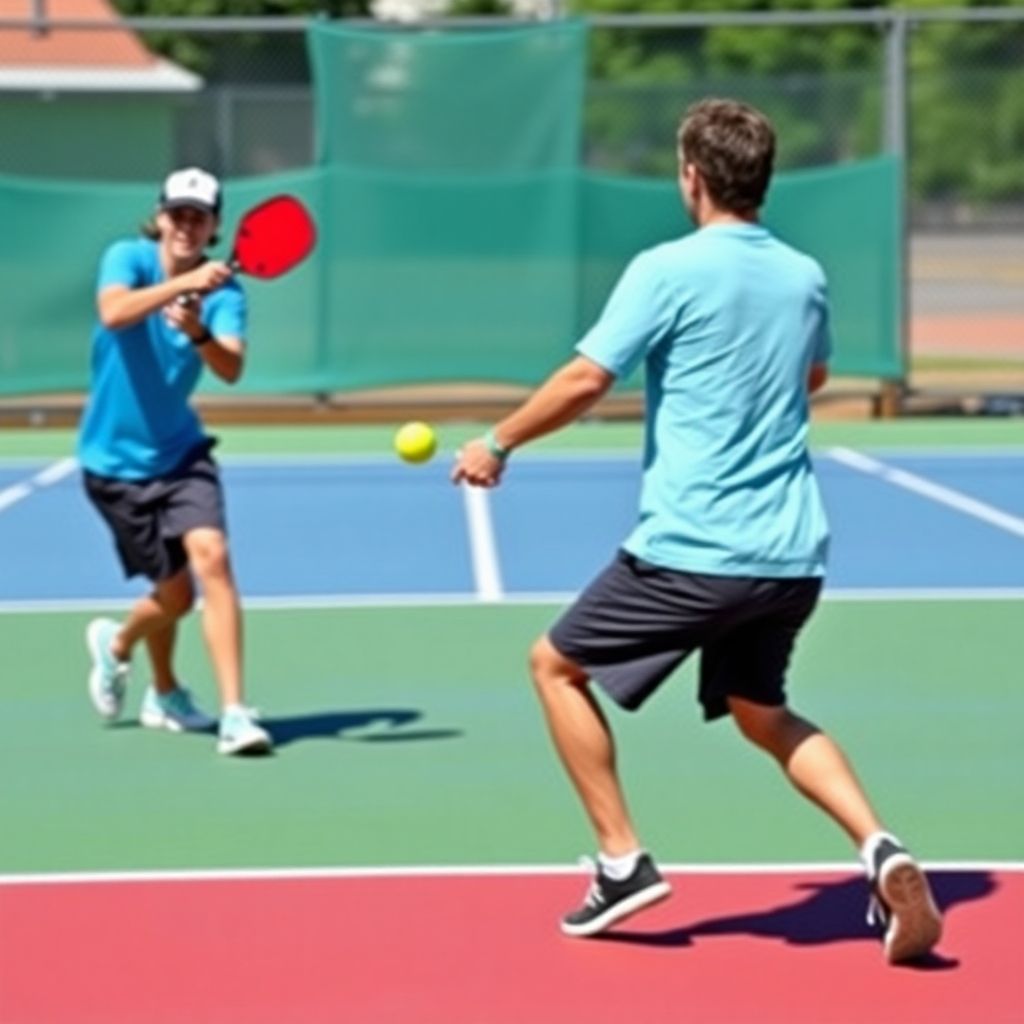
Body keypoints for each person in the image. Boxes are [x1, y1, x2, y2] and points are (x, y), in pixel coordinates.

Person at [452, 99, 942, 963]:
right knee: (762, 712)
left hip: (694, 550)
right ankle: (882, 850)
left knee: (555, 666)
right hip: (791, 555)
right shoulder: (803, 275)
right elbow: (815, 369)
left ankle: (622, 861)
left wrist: (498, 442)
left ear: (692, 176)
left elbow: (584, 378)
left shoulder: (665, 269)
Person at [79, 167, 272, 757]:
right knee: (173, 595)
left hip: (182, 455)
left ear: (215, 226)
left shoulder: (226, 293)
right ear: (160, 217)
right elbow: (115, 313)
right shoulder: (128, 258)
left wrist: (197, 331)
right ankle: (126, 654)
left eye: (200, 216)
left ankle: (236, 714)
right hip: (113, 463)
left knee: (212, 559)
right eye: (178, 214)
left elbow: (231, 368)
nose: (187, 225)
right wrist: (178, 292)